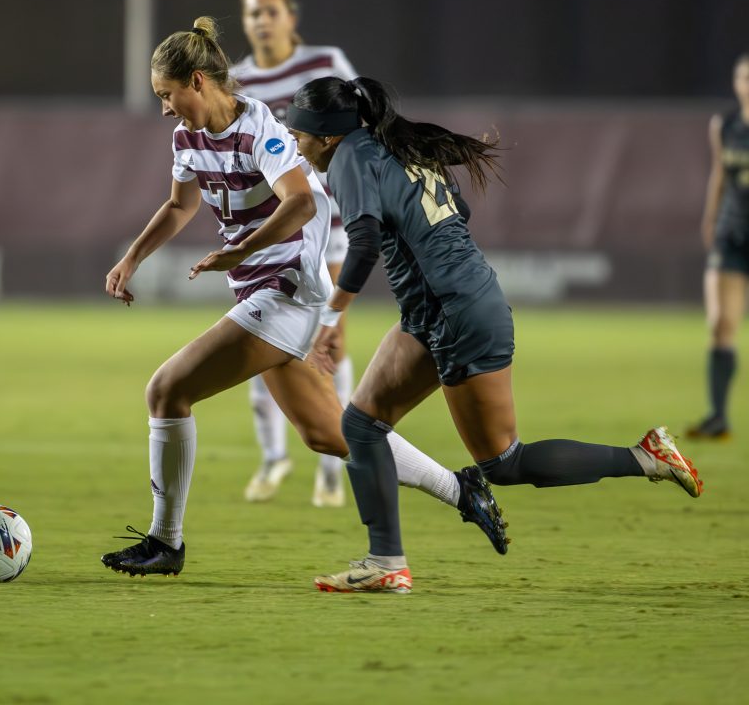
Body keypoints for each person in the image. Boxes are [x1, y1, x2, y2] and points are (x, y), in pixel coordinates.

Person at [99, 18, 509, 578]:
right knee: (328, 433)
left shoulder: (261, 127)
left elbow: (301, 203)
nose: (165, 108)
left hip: (287, 289)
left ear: (197, 81)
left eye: (167, 95)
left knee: (167, 390)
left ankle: (165, 542)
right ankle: (461, 490)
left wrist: (239, 249)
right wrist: (131, 258)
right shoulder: (186, 139)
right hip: (255, 288)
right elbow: (179, 206)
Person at [285, 75, 705, 595]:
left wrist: (332, 317)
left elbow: (365, 242)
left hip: (456, 312)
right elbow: (459, 213)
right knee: (362, 425)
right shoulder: (395, 146)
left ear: (327, 134)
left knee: (504, 463)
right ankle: (386, 562)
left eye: (300, 132)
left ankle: (645, 457)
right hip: (443, 307)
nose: (298, 145)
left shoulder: (350, 156)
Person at [231, 0, 360, 506]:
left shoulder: (324, 61)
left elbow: (360, 123)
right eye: (253, 13)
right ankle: (272, 457)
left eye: (270, 11)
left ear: (291, 17)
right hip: (276, 229)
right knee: (260, 335)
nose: (262, 20)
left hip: (327, 225)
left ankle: (333, 465)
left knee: (329, 341)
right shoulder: (237, 80)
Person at [687, 52, 749, 441]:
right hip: (732, 230)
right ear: (736, 82)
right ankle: (719, 416)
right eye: (744, 77)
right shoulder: (724, 125)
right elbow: (718, 174)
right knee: (720, 324)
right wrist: (709, 218)